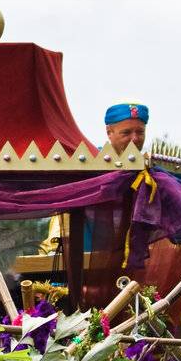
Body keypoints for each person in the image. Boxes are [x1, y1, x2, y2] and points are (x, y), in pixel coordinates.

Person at [40, 102, 149, 255]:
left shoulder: (151, 171)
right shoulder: (89, 165)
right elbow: (66, 204)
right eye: (126, 133)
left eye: (140, 132)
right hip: (83, 252)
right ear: (109, 132)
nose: (135, 138)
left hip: (130, 253)